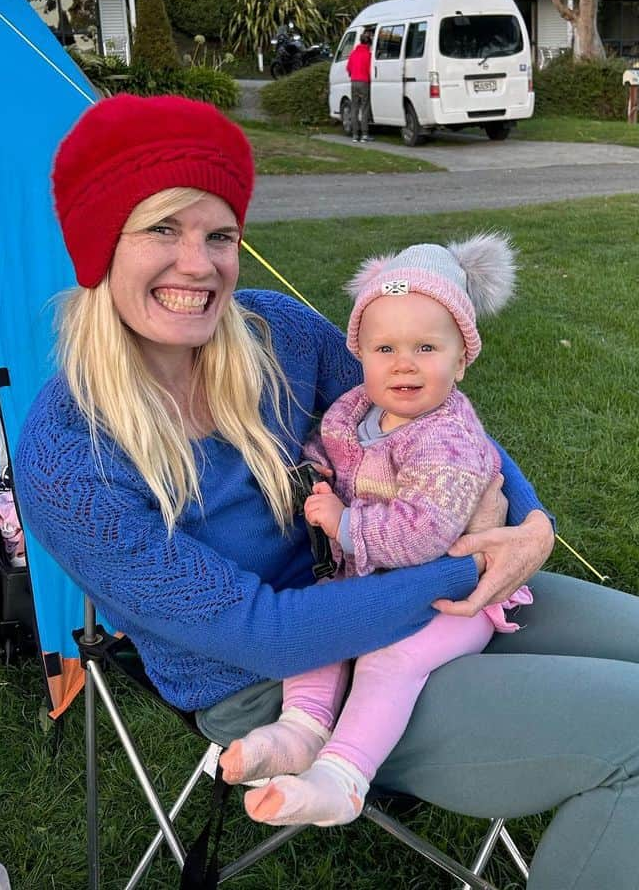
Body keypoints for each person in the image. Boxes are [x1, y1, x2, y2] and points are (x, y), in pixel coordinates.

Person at [15, 93, 639, 890]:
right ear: (98, 246)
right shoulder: (69, 460)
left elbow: (439, 423)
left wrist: (529, 528)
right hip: (273, 684)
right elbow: (266, 633)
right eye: (163, 230)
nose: (198, 264)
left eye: (220, 235)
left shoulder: (272, 332)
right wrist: (463, 568)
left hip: (392, 583)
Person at [224, 233, 534, 827]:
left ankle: (343, 774)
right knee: (317, 624)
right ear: (359, 354)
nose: (404, 363)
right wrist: (312, 471)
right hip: (367, 579)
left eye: (426, 347)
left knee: (389, 659)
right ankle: (300, 729)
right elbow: (330, 449)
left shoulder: (449, 438)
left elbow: (423, 535)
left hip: (451, 599)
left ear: (463, 358)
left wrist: (344, 522)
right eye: (384, 347)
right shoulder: (354, 411)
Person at [346, 29, 373, 142]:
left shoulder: (353, 54)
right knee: (365, 107)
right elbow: (370, 70)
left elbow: (348, 68)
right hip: (364, 82)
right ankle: (365, 134)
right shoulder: (369, 55)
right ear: (368, 43)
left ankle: (355, 135)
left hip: (354, 82)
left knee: (355, 107)